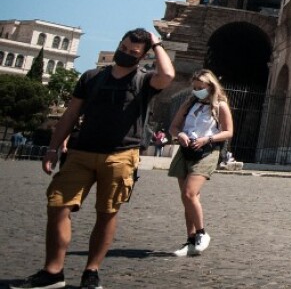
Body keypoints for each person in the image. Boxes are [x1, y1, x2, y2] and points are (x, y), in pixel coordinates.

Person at [15, 28, 174, 289]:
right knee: (57, 206)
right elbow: (70, 114)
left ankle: (92, 271)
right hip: (81, 151)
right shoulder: (91, 77)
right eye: (123, 48)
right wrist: (54, 148)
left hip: (121, 155)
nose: (125, 54)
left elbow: (167, 75)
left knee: (107, 213)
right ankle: (53, 271)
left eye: (133, 52)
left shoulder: (145, 81)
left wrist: (157, 43)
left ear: (143, 55)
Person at [167, 69, 233, 258]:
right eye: (194, 87)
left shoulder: (220, 106)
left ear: (210, 87)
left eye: (200, 87)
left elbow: (228, 132)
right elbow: (174, 126)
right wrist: (179, 134)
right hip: (186, 150)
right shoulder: (189, 104)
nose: (196, 90)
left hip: (207, 151)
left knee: (189, 193)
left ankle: (202, 233)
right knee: (187, 198)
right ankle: (191, 240)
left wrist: (208, 139)